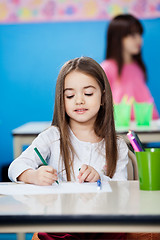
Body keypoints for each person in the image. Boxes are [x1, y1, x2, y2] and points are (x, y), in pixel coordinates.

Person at [8, 56, 128, 240]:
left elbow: (123, 192)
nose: (79, 100)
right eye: (70, 95)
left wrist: (100, 179)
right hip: (61, 225)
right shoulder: (52, 137)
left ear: (103, 97)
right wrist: (33, 175)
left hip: (104, 225)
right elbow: (15, 167)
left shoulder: (117, 145)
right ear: (61, 100)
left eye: (88, 93)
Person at [101, 14, 159, 120]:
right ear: (117, 38)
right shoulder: (107, 68)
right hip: (121, 129)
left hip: (147, 126)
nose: (139, 40)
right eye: (132, 35)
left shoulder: (138, 67)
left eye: (140, 34)